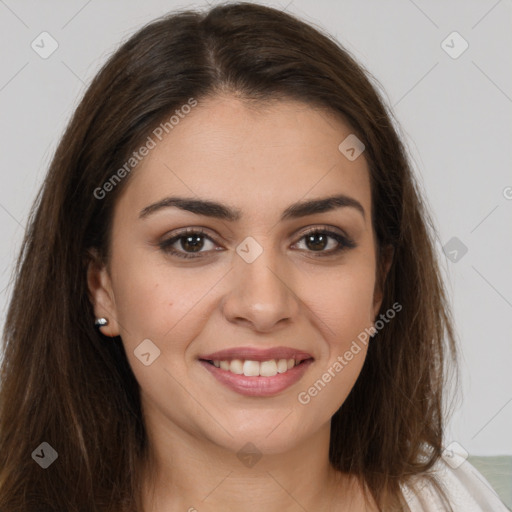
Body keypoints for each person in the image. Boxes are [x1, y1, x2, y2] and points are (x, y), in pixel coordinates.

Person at [0, 2, 508, 511]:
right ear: (100, 284)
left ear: (380, 283)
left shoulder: (460, 499)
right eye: (192, 242)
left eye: (318, 240)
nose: (264, 306)